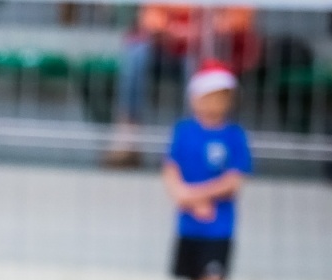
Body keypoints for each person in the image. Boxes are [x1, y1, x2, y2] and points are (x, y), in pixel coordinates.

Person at [161, 62, 252, 280]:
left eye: (222, 97)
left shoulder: (234, 136)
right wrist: (184, 196)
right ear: (195, 98)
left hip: (218, 228)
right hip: (190, 225)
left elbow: (235, 181)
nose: (216, 103)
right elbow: (171, 173)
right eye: (210, 96)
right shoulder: (184, 132)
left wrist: (197, 196)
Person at [106, 4, 256, 167]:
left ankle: (197, 139)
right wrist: (171, 29)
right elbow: (151, 16)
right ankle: (128, 138)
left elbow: (239, 19)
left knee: (195, 63)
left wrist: (199, 29)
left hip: (208, 45)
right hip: (167, 44)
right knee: (136, 56)